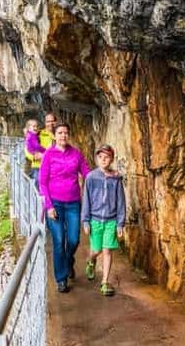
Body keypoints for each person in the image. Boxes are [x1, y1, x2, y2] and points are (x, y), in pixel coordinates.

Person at [39, 123, 90, 293]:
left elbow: (87, 173)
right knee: (59, 241)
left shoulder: (76, 153)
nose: (63, 136)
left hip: (73, 203)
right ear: (54, 136)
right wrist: (49, 206)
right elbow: (42, 182)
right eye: (60, 133)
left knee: (74, 239)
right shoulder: (48, 155)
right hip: (55, 205)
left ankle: (68, 262)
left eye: (66, 133)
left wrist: (105, 175)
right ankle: (61, 279)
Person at [82, 144, 125, 296]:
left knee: (107, 250)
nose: (103, 160)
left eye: (106, 157)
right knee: (97, 250)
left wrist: (120, 223)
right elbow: (86, 200)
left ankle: (105, 282)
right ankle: (91, 260)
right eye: (100, 157)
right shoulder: (91, 177)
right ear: (97, 159)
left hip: (111, 220)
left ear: (111, 159)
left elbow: (121, 201)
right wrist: (85, 221)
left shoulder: (116, 179)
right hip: (95, 219)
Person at [24, 113, 56, 187]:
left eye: (52, 121)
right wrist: (35, 157)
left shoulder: (60, 135)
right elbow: (27, 148)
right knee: (40, 192)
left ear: (56, 122)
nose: (50, 123)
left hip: (53, 168)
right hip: (38, 166)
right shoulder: (38, 134)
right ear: (45, 123)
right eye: (48, 121)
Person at [23, 119, 45, 183]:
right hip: (34, 156)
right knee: (38, 179)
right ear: (28, 128)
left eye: (37, 126)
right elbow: (36, 145)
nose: (36, 128)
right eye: (34, 126)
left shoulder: (32, 135)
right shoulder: (32, 136)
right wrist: (45, 150)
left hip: (35, 156)